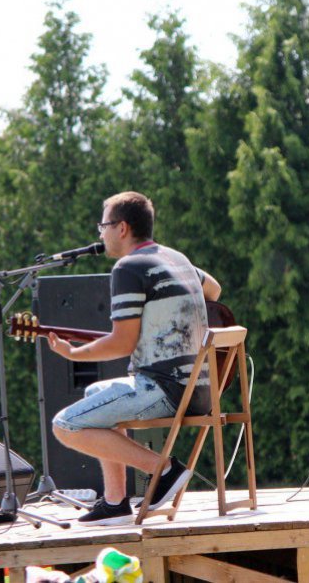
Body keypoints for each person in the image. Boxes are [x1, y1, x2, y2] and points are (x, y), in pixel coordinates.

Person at [47, 191, 222, 525]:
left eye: (104, 225)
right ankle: (114, 502)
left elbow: (122, 343)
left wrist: (74, 353)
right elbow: (214, 290)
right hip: (201, 388)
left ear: (122, 228)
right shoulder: (176, 259)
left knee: (64, 425)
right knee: (94, 394)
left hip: (165, 388)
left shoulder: (128, 268)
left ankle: (163, 470)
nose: (100, 233)